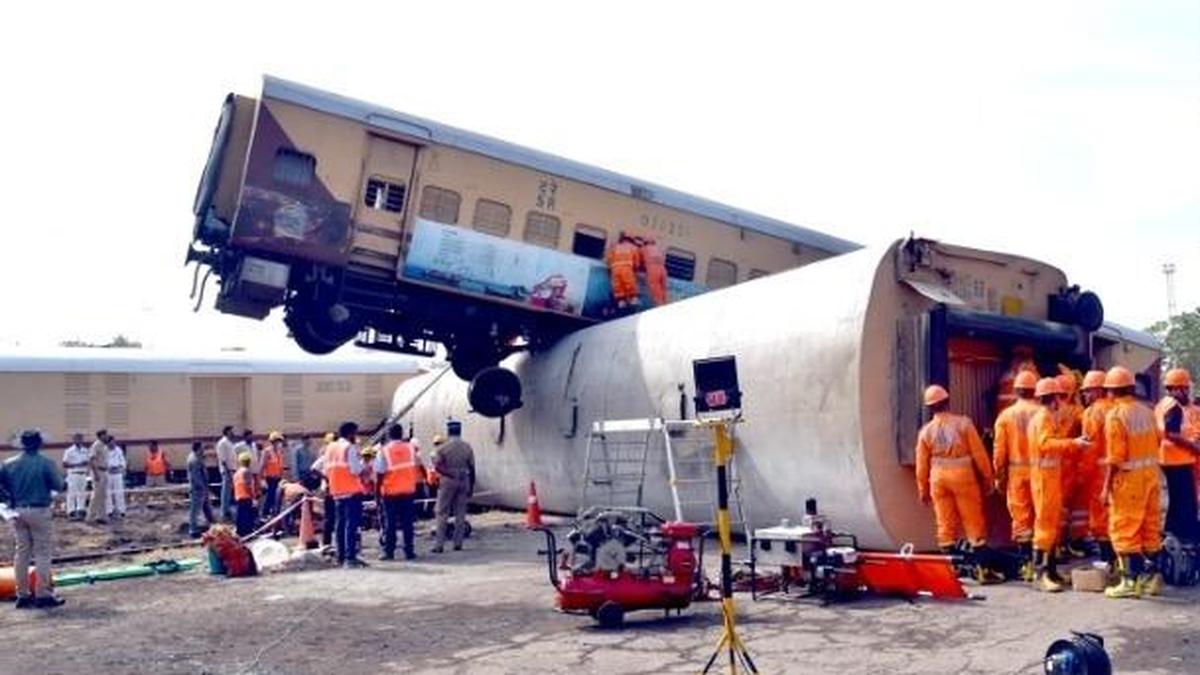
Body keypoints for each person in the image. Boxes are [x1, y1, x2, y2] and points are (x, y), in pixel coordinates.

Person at [913, 385, 1002, 583]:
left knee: (945, 524)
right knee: (973, 522)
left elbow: (921, 465)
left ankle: (951, 571)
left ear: (930, 407)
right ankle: (982, 570)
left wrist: (923, 489)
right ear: (947, 402)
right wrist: (988, 478)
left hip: (938, 480)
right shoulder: (963, 424)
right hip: (963, 477)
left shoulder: (925, 432)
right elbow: (979, 453)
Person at [1101, 366, 1164, 599]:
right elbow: (1158, 440)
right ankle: (1152, 578)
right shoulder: (1147, 412)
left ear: (1112, 391)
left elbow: (1115, 458)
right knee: (1150, 528)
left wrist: (1105, 487)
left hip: (1129, 481)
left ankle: (1129, 581)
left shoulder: (1116, 416)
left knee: (1124, 529)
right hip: (1151, 476)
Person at [1027, 377, 1089, 592]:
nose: (1061, 401)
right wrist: (1073, 443)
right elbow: (1045, 444)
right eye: (1059, 397)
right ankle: (1041, 573)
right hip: (1044, 479)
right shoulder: (1043, 417)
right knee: (1045, 526)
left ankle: (1051, 570)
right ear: (1052, 398)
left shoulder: (1045, 417)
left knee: (1051, 525)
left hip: (1049, 477)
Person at [0, 430, 66, 608]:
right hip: (39, 509)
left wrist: (6, 500)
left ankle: (22, 594)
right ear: (39, 444)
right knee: (42, 552)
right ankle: (43, 593)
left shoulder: (8, 464)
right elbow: (59, 485)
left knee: (21, 552)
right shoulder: (45, 463)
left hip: (17, 510)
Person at [992, 369, 1040, 580]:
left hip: (1017, 473)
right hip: (1041, 472)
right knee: (1041, 516)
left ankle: (1027, 566)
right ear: (1034, 390)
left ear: (1016, 390)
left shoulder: (1005, 416)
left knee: (1021, 519)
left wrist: (999, 476)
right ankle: (1043, 564)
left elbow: (999, 451)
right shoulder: (1043, 413)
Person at [1155, 367, 1200, 545]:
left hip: (1169, 458)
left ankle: (1171, 531)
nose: (1187, 392)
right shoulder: (1173, 407)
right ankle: (1186, 537)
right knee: (1185, 501)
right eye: (1185, 388)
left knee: (1176, 500)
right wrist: (1194, 446)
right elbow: (1172, 433)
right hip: (1178, 459)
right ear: (1177, 388)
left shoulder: (1163, 404)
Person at [312, 422, 367, 567]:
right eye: (355, 433)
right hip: (351, 491)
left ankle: (341, 556)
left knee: (340, 525)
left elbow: (324, 470)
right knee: (351, 525)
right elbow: (355, 470)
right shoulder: (349, 447)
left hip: (336, 491)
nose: (356, 436)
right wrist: (364, 464)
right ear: (350, 433)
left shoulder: (330, 448)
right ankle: (350, 557)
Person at [1076, 370, 1115, 562]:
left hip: (1099, 474)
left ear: (1098, 390)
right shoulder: (1117, 408)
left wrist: (1082, 473)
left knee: (1100, 518)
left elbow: (1089, 447)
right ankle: (1118, 559)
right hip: (1118, 471)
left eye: (1088, 390)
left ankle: (1107, 559)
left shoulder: (1092, 412)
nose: (1085, 395)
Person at [376, 424, 424, 560]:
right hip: (408, 491)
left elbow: (379, 473)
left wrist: (377, 493)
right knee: (407, 523)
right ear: (401, 433)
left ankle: (389, 552)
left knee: (390, 523)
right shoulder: (410, 448)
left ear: (388, 435)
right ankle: (409, 551)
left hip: (390, 493)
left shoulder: (384, 451)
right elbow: (417, 465)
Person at [433, 420, 475, 553]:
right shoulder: (467, 447)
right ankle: (458, 543)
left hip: (448, 480)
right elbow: (472, 468)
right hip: (464, 479)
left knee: (442, 512)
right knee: (460, 513)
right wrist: (471, 486)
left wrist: (449, 473)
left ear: (449, 432)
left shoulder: (442, 448)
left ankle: (439, 545)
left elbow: (437, 466)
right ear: (460, 431)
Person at [605, 232, 642, 310]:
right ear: (631, 240)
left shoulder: (615, 247)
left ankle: (621, 302)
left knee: (618, 286)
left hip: (615, 269)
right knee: (629, 283)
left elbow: (608, 259)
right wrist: (636, 269)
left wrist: (609, 268)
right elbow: (636, 262)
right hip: (626, 268)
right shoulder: (633, 247)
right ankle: (633, 299)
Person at [186, 442, 215, 537]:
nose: (203, 450)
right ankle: (193, 529)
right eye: (201, 448)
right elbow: (195, 476)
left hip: (202, 487)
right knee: (195, 510)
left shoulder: (197, 457)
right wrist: (201, 487)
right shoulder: (194, 460)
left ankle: (212, 523)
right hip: (198, 489)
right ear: (198, 449)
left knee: (206, 507)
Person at [61, 433, 90, 520]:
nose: (79, 440)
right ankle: (71, 511)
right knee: (72, 493)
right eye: (77, 439)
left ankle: (81, 510)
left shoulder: (85, 451)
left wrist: (86, 464)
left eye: (80, 439)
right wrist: (78, 464)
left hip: (83, 474)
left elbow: (89, 461)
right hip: (73, 474)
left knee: (82, 493)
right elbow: (64, 464)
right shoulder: (69, 451)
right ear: (73, 440)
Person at [86, 429, 110, 524]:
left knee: (103, 495)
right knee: (96, 495)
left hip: (105, 471)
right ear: (101, 436)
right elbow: (92, 460)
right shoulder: (96, 445)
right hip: (98, 471)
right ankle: (90, 517)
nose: (107, 436)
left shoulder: (104, 446)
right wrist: (96, 473)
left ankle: (101, 516)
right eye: (105, 435)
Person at [233, 452, 259, 537]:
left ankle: (240, 531)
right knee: (248, 516)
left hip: (238, 495)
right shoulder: (246, 471)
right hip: (246, 496)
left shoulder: (237, 473)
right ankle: (247, 532)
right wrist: (253, 497)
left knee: (240, 515)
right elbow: (248, 485)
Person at [215, 426, 238, 522]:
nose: (233, 433)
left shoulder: (230, 443)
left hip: (232, 469)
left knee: (229, 492)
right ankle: (224, 511)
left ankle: (228, 509)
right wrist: (227, 471)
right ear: (227, 432)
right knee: (225, 491)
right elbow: (223, 459)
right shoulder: (222, 443)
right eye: (231, 431)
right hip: (227, 470)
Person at [260, 432, 285, 518]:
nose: (279, 443)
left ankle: (273, 513)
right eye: (277, 441)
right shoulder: (267, 452)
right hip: (269, 478)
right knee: (269, 496)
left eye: (279, 441)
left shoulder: (279, 452)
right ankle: (264, 513)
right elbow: (262, 466)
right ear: (273, 441)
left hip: (278, 478)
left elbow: (280, 465)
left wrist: (282, 476)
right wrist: (261, 479)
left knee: (276, 497)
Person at [640, 236, 669, 306]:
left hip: (653, 269)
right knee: (664, 289)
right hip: (663, 269)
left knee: (656, 290)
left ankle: (660, 306)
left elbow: (639, 261)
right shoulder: (658, 249)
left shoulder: (643, 249)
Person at [106, 436, 127, 519]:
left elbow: (123, 462)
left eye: (114, 442)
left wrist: (120, 468)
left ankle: (121, 510)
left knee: (119, 492)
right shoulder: (104, 451)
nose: (113, 444)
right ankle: (109, 511)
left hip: (117, 473)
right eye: (111, 442)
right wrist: (108, 468)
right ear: (108, 443)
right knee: (108, 493)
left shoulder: (118, 450)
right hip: (108, 473)